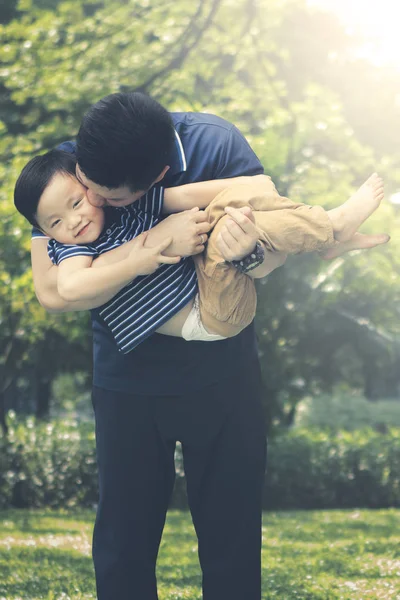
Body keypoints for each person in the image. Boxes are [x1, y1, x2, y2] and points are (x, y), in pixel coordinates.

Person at [24, 91, 385, 600]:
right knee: (123, 543)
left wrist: (247, 253)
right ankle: (330, 230)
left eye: (113, 197)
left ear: (157, 176)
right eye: (89, 186)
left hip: (222, 374)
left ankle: (327, 229)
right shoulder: (67, 174)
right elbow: (53, 291)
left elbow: (267, 258)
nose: (94, 204)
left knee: (230, 538)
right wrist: (155, 244)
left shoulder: (214, 143)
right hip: (127, 381)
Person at [14, 149, 388, 347]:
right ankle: (332, 227)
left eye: (75, 204)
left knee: (235, 206)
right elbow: (70, 288)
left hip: (206, 280)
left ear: (91, 188)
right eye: (54, 223)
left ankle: (330, 232)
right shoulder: (73, 250)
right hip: (209, 318)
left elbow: (234, 188)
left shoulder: (125, 206)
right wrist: (139, 259)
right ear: (45, 232)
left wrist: (250, 192)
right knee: (227, 226)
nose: (72, 223)